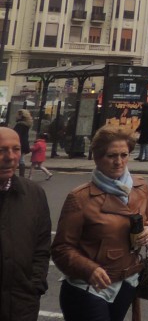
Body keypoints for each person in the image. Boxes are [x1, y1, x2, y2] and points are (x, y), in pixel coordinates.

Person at [52, 125, 148, 321]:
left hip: (126, 282)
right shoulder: (80, 197)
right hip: (89, 287)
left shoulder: (141, 187)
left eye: (124, 155)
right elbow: (61, 248)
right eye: (111, 156)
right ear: (97, 158)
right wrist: (89, 269)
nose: (119, 162)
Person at [0, 126, 52, 321]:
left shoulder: (34, 194)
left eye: (16, 149)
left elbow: (42, 245)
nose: (10, 157)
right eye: (1, 150)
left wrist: (35, 285)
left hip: (21, 305)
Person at [14, 109, 31, 177]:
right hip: (24, 143)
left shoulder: (20, 124)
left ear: (21, 115)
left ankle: (19, 176)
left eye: (17, 114)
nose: (16, 116)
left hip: (19, 143)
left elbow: (17, 134)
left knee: (18, 160)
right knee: (21, 160)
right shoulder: (26, 124)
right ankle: (22, 176)